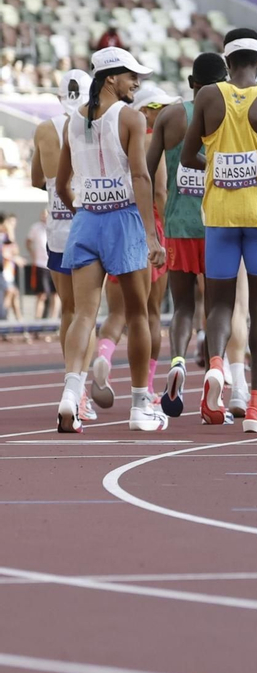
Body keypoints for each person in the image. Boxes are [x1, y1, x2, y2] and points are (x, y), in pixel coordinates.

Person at [180, 30, 257, 435]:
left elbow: (187, 155)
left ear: (227, 63)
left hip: (219, 215)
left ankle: (216, 366)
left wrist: (215, 164)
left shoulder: (208, 97)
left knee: (218, 305)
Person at [55, 49, 166, 434]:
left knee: (84, 315)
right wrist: (151, 235)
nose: (136, 82)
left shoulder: (72, 121)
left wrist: (84, 210)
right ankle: (139, 406)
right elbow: (141, 177)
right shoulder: (131, 117)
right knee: (137, 315)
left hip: (86, 220)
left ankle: (71, 394)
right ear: (111, 78)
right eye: (132, 75)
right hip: (123, 220)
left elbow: (61, 184)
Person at [145, 53, 227, 416]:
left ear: (192, 83)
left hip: (178, 225)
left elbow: (146, 172)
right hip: (217, 224)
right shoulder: (228, 113)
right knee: (218, 307)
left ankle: (177, 360)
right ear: (224, 83)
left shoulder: (171, 115)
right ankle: (213, 376)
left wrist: (151, 229)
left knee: (182, 307)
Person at [32, 71, 92, 419]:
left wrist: (56, 188)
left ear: (58, 97)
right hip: (88, 223)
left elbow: (35, 179)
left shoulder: (43, 129)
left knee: (69, 310)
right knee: (88, 312)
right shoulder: (92, 124)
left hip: (57, 230)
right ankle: (79, 388)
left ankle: (71, 384)